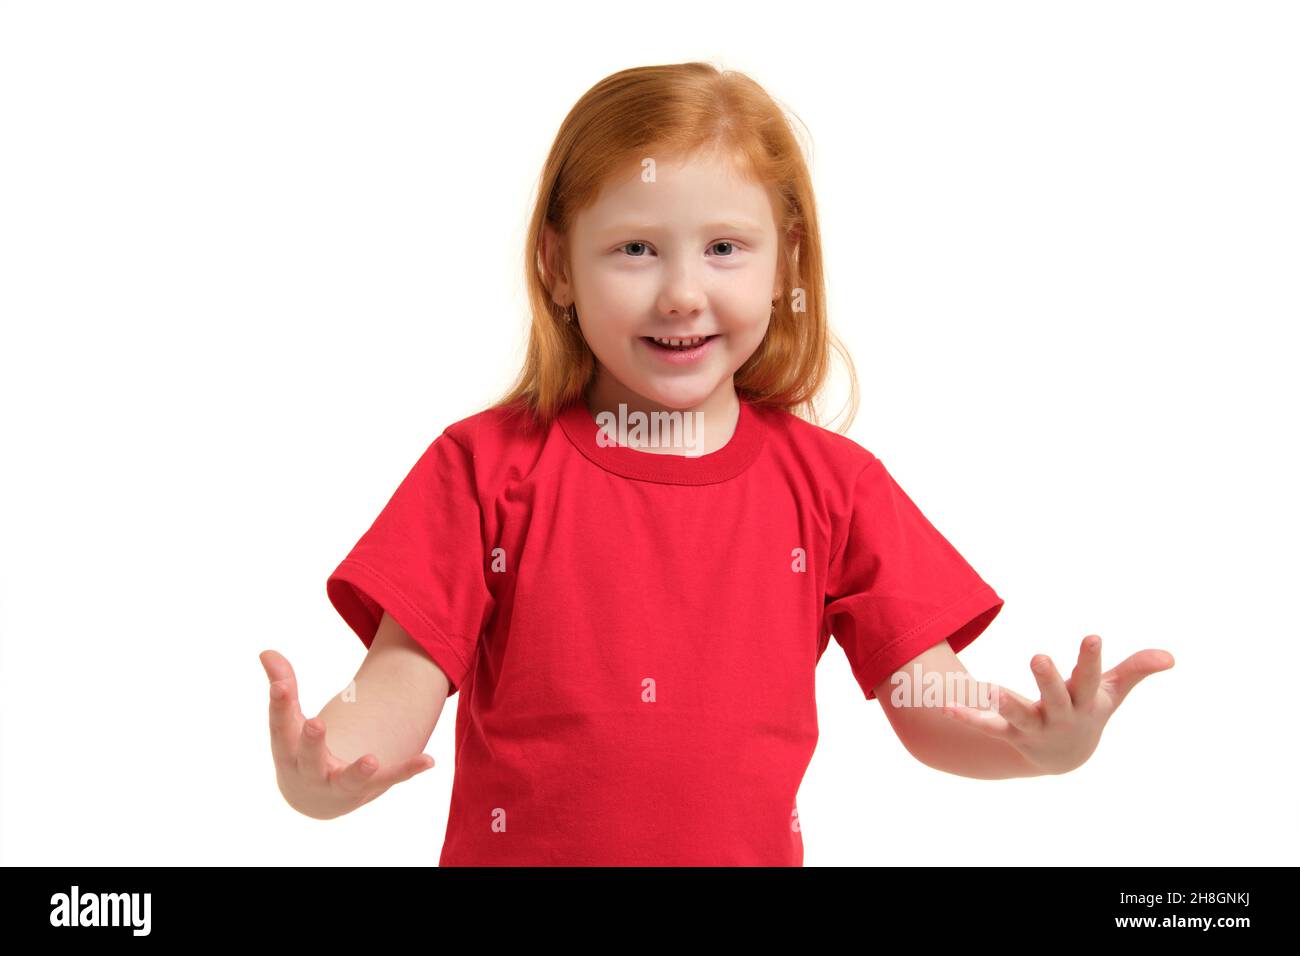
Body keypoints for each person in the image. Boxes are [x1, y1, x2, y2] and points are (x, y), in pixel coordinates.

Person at [260, 61, 1175, 866]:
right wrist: (328, 771)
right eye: (635, 249)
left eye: (725, 249)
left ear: (785, 265)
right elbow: (400, 677)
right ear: (558, 266)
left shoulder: (836, 488)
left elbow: (931, 701)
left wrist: (1035, 742)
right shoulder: (481, 468)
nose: (682, 293)